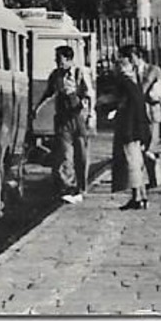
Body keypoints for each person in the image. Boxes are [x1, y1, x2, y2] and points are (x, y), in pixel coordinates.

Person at [33, 44, 93, 203]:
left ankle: (81, 187)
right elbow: (48, 93)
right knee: (65, 155)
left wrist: (91, 114)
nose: (57, 62)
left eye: (59, 59)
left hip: (78, 117)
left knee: (81, 155)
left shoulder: (80, 73)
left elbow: (89, 94)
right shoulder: (56, 75)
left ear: (68, 59)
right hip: (62, 118)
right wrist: (37, 108)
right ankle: (68, 187)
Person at [113, 55, 153, 211]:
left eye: (122, 64)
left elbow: (132, 107)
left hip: (129, 129)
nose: (119, 68)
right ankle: (142, 196)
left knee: (132, 164)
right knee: (138, 163)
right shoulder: (134, 84)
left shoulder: (125, 83)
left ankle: (137, 198)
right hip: (137, 128)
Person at [136, 48, 161, 189]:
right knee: (142, 147)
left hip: (152, 112)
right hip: (138, 113)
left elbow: (148, 89)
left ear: (138, 56)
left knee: (150, 147)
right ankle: (151, 179)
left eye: (132, 57)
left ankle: (155, 179)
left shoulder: (153, 70)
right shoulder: (132, 72)